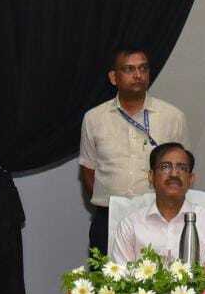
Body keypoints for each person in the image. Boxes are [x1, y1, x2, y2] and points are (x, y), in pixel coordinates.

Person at [79, 47, 187, 257]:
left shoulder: (172, 117)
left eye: (143, 68)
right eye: (129, 69)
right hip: (108, 218)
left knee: (156, 277)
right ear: (113, 77)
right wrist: (113, 203)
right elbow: (88, 169)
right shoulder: (94, 118)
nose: (138, 75)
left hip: (157, 217)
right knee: (106, 278)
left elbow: (182, 169)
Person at [111, 143, 205, 264]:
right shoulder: (130, 226)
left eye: (182, 168)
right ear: (151, 176)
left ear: (190, 179)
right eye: (165, 167)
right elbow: (119, 274)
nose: (174, 174)